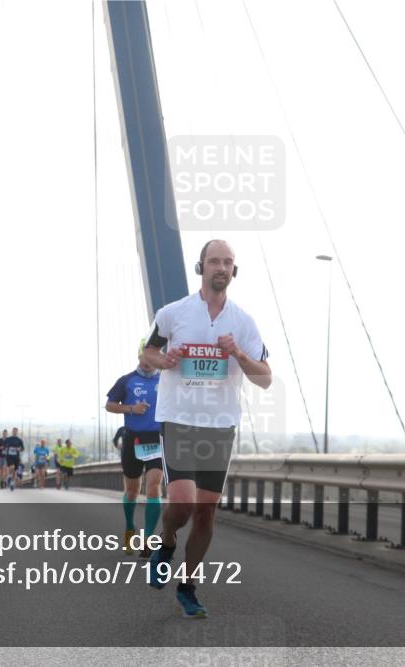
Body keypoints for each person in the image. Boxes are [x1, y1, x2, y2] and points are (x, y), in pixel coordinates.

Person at [141, 239, 272, 618]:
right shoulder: (173, 313)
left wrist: (239, 354)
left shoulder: (244, 322)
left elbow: (264, 378)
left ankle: (188, 587)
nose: (221, 267)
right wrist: (164, 359)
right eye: (214, 261)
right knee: (181, 504)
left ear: (234, 270)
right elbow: (147, 352)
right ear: (201, 267)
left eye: (228, 262)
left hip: (220, 425)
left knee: (206, 513)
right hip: (179, 420)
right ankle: (165, 543)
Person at [106, 338, 164, 557]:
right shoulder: (127, 381)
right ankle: (130, 528)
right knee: (132, 490)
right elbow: (110, 405)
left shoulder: (167, 381)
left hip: (157, 440)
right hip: (133, 440)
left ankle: (148, 539)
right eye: (145, 356)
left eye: (153, 357)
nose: (148, 362)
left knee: (153, 487)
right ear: (139, 356)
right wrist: (131, 408)